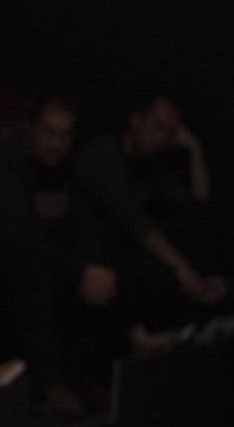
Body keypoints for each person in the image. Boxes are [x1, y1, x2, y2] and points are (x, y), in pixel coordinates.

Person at [0, 94, 118, 413]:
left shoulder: (66, 170)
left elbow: (82, 224)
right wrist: (78, 272)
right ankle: (48, 385)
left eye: (64, 135)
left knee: (99, 269)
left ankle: (88, 377)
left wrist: (95, 267)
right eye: (49, 132)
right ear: (31, 129)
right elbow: (16, 235)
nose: (56, 143)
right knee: (33, 272)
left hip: (32, 256)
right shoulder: (2, 165)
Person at [73, 95, 225, 328]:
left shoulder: (152, 166)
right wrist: (184, 272)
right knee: (153, 263)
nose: (162, 138)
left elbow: (199, 203)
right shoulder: (104, 156)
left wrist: (195, 150)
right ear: (136, 120)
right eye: (158, 127)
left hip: (123, 249)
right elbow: (136, 224)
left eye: (170, 133)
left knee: (192, 231)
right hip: (84, 249)